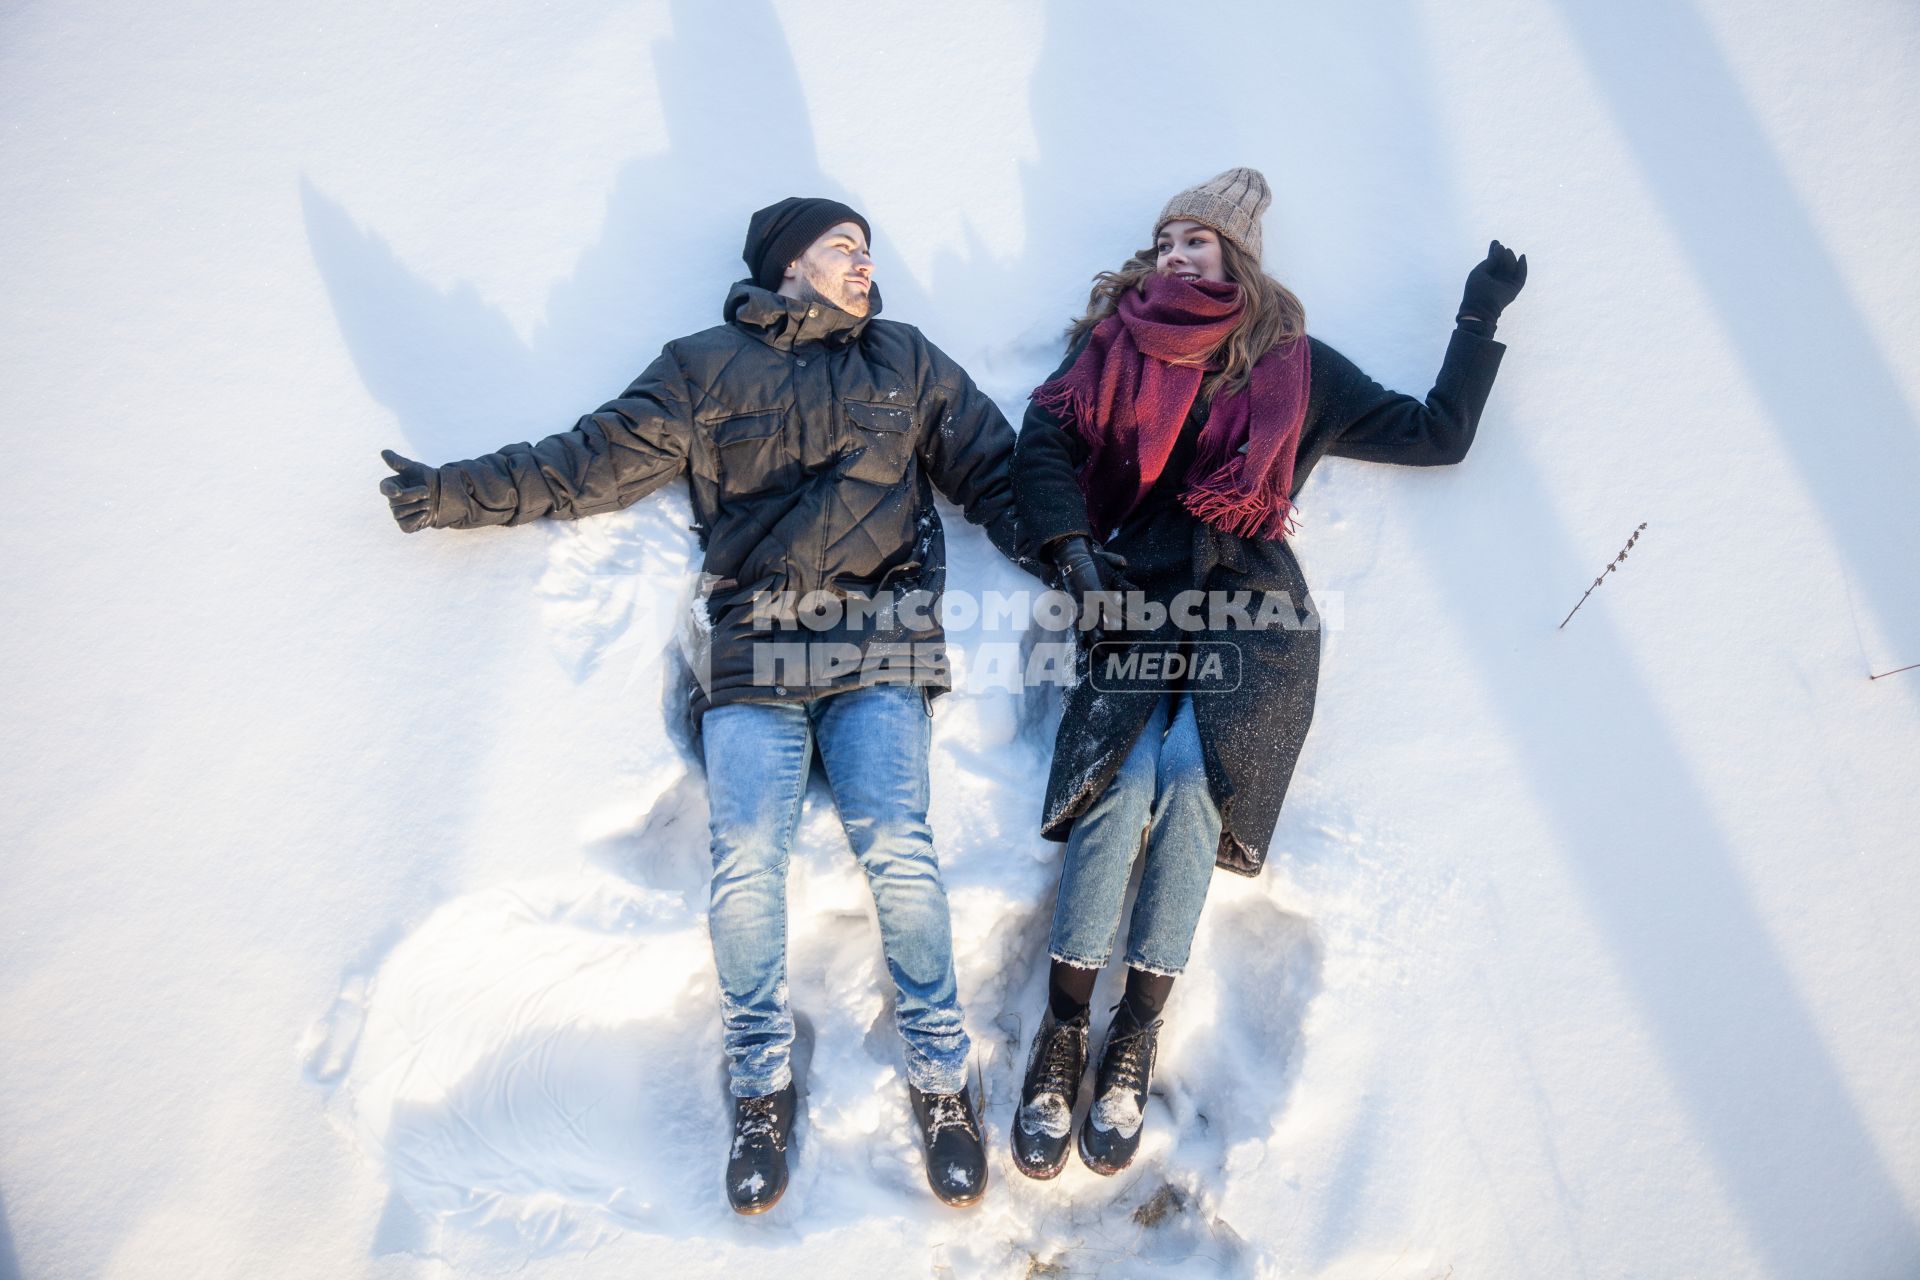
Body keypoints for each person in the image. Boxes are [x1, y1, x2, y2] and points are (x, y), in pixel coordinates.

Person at [378, 197, 1031, 1213]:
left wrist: (1075, 547)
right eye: (843, 248)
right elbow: (589, 462)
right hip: (754, 651)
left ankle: (944, 1072)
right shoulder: (704, 366)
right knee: (746, 856)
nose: (865, 265)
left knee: (897, 842)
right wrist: (460, 491)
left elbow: (999, 469)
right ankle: (760, 1080)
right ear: (789, 266)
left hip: (879, 643)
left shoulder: (902, 358)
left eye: (867, 249)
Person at [1009, 168, 1525, 1178]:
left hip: (1253, 603)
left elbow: (1438, 434)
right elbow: (1044, 444)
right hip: (1133, 587)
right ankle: (1064, 1027)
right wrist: (1072, 547)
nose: (1172, 256)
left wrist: (1476, 316)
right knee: (1124, 783)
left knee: (1200, 782)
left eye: (1193, 241)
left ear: (1236, 254)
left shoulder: (1297, 365)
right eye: (1163, 241)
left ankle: (1135, 1033)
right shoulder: (1110, 346)